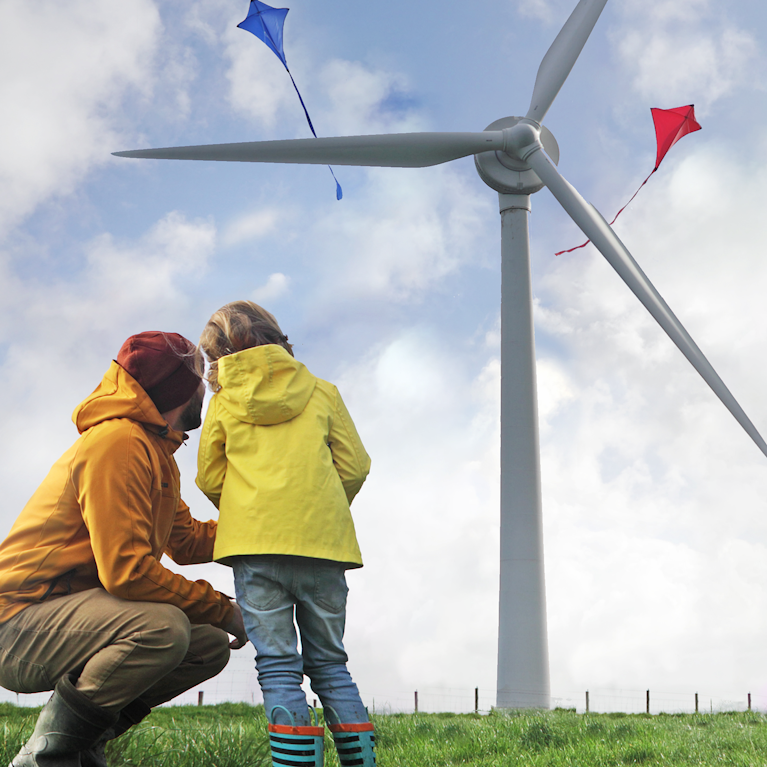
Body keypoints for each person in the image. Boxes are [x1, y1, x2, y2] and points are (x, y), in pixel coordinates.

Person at [0, 331, 247, 767]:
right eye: (199, 378)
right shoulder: (119, 443)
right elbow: (128, 572)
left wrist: (265, 529)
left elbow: (186, 541)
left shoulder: (155, 450)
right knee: (163, 629)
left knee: (205, 643)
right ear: (178, 389)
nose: (207, 389)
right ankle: (45, 757)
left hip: (68, 614)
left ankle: (81, 743)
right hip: (17, 623)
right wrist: (225, 608)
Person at [196, 301, 375, 767]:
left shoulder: (221, 404)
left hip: (255, 551)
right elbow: (355, 466)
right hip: (323, 547)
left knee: (278, 668)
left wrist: (250, 512)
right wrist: (319, 511)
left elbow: (209, 477)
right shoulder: (323, 393)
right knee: (331, 667)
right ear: (276, 336)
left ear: (215, 355)